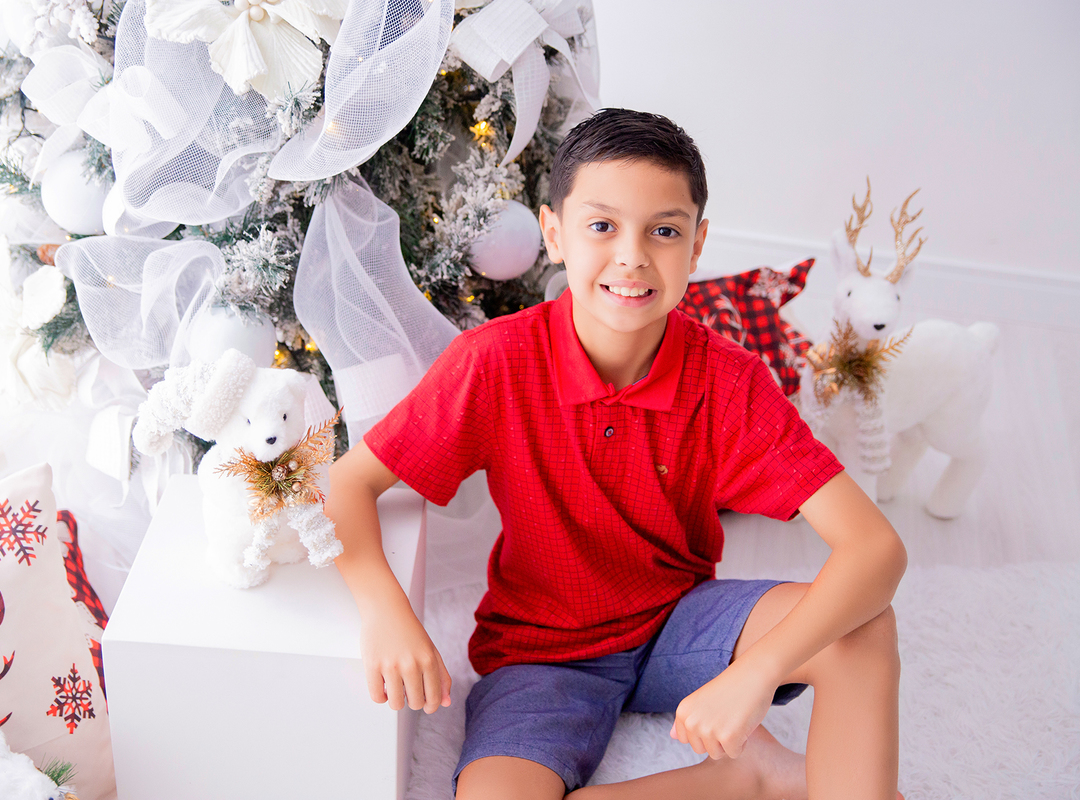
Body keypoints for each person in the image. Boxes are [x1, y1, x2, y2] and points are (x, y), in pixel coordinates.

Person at [323, 108, 907, 800]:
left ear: (697, 246)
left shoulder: (728, 380)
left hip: (679, 624)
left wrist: (757, 672)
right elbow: (348, 484)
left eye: (664, 231)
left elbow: (876, 549)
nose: (632, 255)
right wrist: (386, 610)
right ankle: (748, 779)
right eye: (602, 226)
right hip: (541, 655)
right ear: (554, 234)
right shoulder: (495, 362)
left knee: (863, 630)